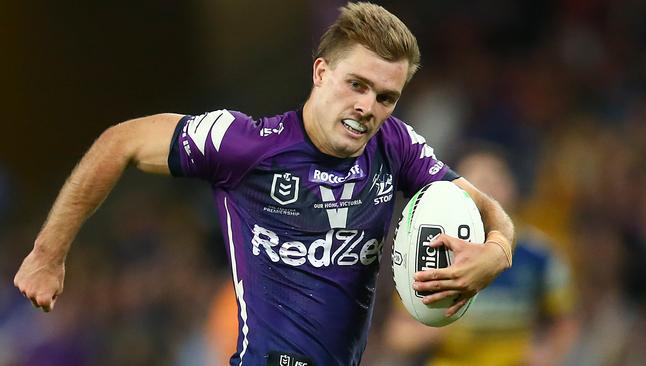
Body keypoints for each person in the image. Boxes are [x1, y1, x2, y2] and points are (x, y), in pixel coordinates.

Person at [14, 3, 515, 365]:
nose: (368, 106)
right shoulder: (246, 145)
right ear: (321, 72)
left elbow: (485, 207)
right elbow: (120, 141)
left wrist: (496, 253)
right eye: (356, 85)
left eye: (387, 96)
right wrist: (47, 253)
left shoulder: (396, 146)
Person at [382, 146, 577, 366]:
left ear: (512, 186)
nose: (490, 189)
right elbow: (397, 335)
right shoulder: (433, 250)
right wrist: (442, 329)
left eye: (498, 178)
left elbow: (565, 322)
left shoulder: (539, 253)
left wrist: (546, 355)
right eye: (479, 181)